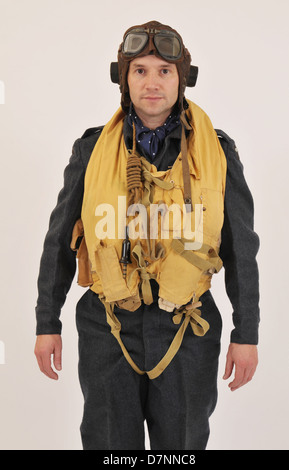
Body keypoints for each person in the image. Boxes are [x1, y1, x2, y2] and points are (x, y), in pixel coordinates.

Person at [34, 20, 260, 450]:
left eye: (164, 71)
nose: (152, 82)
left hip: (187, 327)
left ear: (182, 80)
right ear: (124, 78)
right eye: (140, 70)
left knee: (182, 448)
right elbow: (59, 240)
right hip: (107, 325)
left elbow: (241, 249)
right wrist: (47, 323)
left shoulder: (218, 153)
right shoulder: (91, 151)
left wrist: (246, 334)